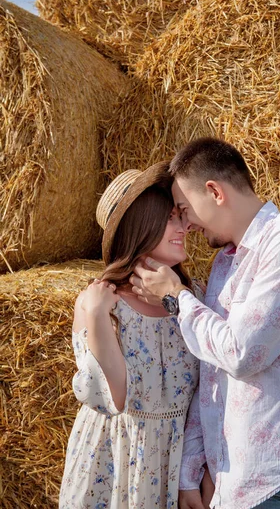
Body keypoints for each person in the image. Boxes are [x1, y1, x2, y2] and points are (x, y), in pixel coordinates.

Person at [130, 138, 280, 509]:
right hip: (233, 490)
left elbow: (243, 353)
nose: (186, 223)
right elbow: (212, 375)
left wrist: (177, 299)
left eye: (184, 208)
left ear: (214, 192)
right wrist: (189, 473)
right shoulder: (224, 266)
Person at [59, 162, 201, 509]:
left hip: (172, 468)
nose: (184, 225)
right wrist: (96, 316)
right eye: (170, 217)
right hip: (110, 467)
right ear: (142, 225)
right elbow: (113, 398)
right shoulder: (101, 304)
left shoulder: (194, 297)